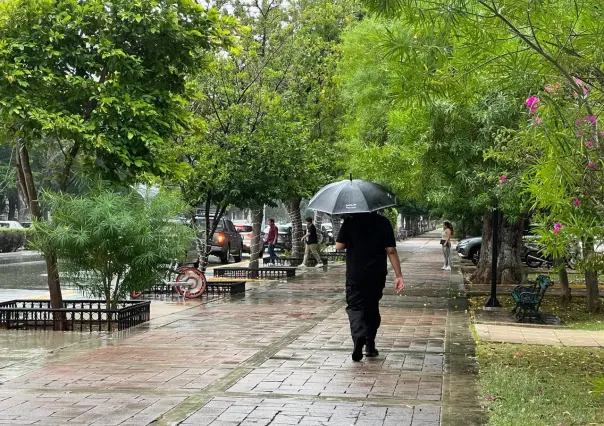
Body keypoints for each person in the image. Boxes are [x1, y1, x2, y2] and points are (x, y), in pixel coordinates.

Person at [336, 213, 405, 362]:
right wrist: (398, 275)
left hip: (355, 273)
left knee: (355, 307)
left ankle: (358, 336)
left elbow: (339, 246)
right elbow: (391, 250)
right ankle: (370, 346)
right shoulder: (383, 222)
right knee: (371, 307)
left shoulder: (350, 221)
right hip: (376, 273)